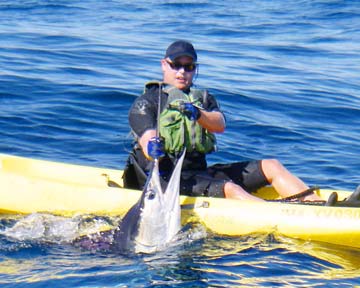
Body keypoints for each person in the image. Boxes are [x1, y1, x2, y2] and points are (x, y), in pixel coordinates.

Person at [122, 40, 352, 204]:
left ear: (195, 69)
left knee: (271, 165)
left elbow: (219, 124)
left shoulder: (203, 99)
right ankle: (275, 217)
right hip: (167, 181)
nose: (182, 72)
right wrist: (153, 147)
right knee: (231, 189)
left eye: (189, 66)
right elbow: (147, 139)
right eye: (176, 65)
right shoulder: (147, 102)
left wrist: (197, 113)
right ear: (165, 65)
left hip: (199, 172)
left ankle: (316, 206)